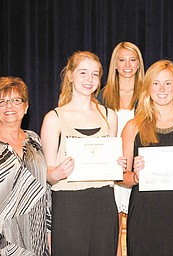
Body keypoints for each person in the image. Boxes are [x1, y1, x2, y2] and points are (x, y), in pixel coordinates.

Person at [41, 51, 126, 256]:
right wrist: (58, 172)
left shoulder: (109, 116)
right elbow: (47, 174)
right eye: (83, 73)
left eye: (95, 74)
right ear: (70, 75)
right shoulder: (54, 118)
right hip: (70, 204)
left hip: (104, 201)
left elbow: (111, 167)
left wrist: (118, 165)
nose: (89, 80)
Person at [121, 59, 173, 255]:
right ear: (148, 88)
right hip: (144, 216)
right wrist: (134, 176)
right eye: (156, 83)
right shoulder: (133, 127)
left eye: (168, 83)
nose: (162, 89)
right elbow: (121, 176)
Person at [99, 42, 144, 256]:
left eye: (132, 60)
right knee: (112, 226)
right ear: (115, 64)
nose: (127, 65)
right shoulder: (101, 96)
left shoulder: (148, 96)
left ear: (138, 65)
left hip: (139, 170)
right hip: (110, 170)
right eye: (122, 59)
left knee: (139, 226)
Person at [0, 77, 51, 255]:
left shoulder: (34, 140)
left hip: (37, 234)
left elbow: (46, 188)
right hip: (4, 237)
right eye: (2, 101)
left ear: (26, 106)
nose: (9, 106)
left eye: (16, 100)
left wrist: (49, 232)